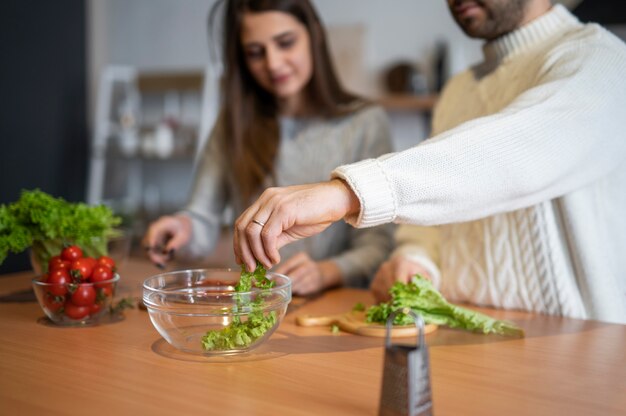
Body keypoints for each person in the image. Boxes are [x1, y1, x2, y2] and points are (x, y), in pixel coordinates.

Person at [233, 0, 626, 324]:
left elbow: (518, 148)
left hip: (581, 351)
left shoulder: (603, 60)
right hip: (460, 345)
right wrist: (415, 261)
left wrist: (345, 194)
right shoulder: (457, 91)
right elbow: (433, 225)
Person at [143, 0, 394, 295]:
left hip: (330, 305)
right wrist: (183, 227)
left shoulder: (365, 123)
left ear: (315, 35)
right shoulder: (233, 123)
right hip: (257, 302)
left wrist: (327, 272)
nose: (273, 63)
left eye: (285, 43)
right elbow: (202, 216)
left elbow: (379, 244)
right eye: (255, 52)